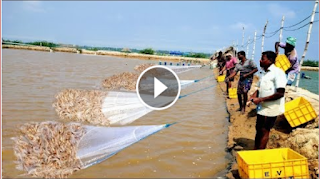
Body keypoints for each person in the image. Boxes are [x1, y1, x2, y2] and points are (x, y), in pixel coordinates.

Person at [249, 51, 287, 149]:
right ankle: (255, 149)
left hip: (271, 107)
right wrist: (252, 97)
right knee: (258, 128)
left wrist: (261, 99)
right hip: (262, 107)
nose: (260, 60)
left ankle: (259, 153)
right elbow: (259, 89)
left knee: (265, 130)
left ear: (270, 60)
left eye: (262, 59)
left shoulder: (278, 73)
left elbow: (280, 93)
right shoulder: (263, 73)